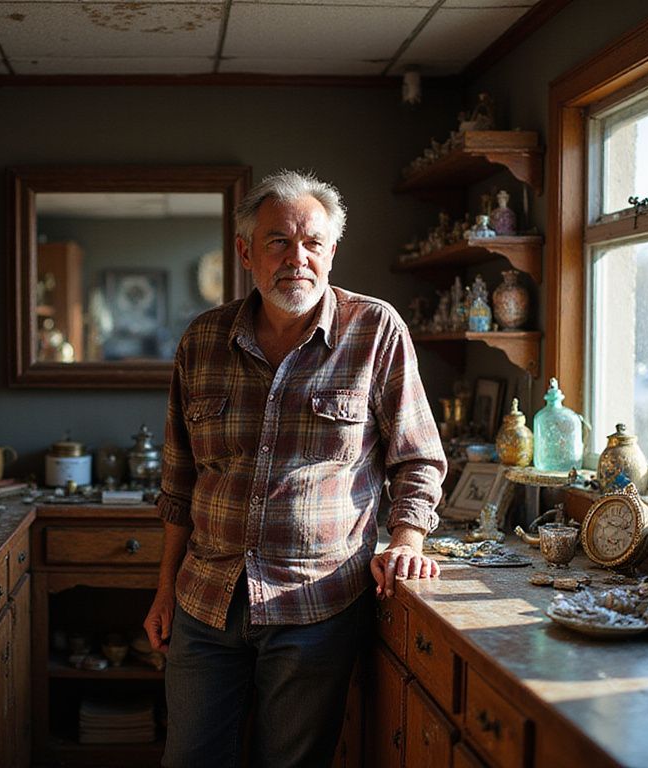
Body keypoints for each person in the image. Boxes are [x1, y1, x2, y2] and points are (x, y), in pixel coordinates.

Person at [143, 170, 447, 768]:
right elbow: (178, 486)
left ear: (332, 252)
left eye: (312, 243)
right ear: (245, 252)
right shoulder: (202, 341)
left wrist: (408, 538)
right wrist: (161, 593)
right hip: (205, 601)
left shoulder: (375, 330)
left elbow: (417, 457)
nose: (296, 258)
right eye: (278, 241)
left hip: (318, 605)